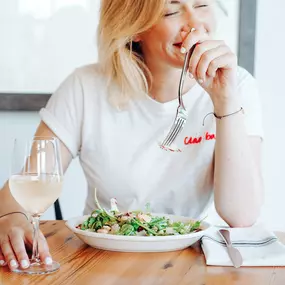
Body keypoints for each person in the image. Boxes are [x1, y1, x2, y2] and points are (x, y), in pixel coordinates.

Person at [0, 0, 264, 271]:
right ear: (135, 27)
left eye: (202, 4)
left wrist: (225, 101)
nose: (196, 24)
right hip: (99, 261)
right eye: (171, 11)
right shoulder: (84, 88)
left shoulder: (236, 86)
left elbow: (241, 216)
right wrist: (10, 217)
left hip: (192, 261)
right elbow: (24, 188)